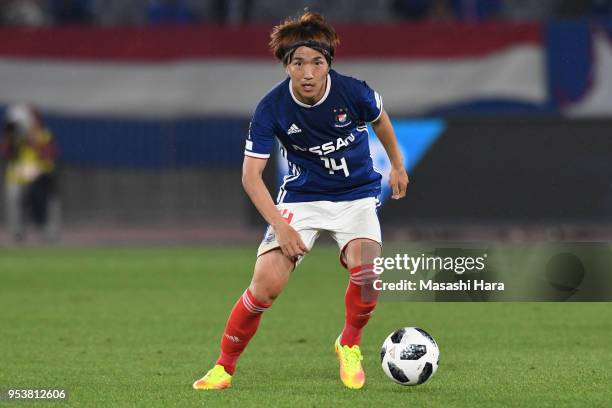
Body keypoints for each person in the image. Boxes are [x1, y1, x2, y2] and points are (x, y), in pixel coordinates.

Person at [193, 11, 409, 390]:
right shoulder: (270, 108)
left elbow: (382, 121)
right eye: (298, 63)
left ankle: (349, 344)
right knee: (265, 287)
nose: (308, 73)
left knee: (368, 275)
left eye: (317, 63)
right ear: (286, 66)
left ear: (328, 65)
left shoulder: (353, 92)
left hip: (355, 195)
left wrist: (397, 165)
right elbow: (250, 176)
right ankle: (223, 368)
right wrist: (281, 224)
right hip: (302, 199)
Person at [0, 104, 60, 243]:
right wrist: (11, 138)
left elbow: (50, 154)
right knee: (13, 198)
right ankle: (17, 233)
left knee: (46, 202)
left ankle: (49, 233)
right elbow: (4, 153)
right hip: (17, 176)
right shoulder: (12, 136)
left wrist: (30, 138)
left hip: (37, 175)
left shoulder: (43, 134)